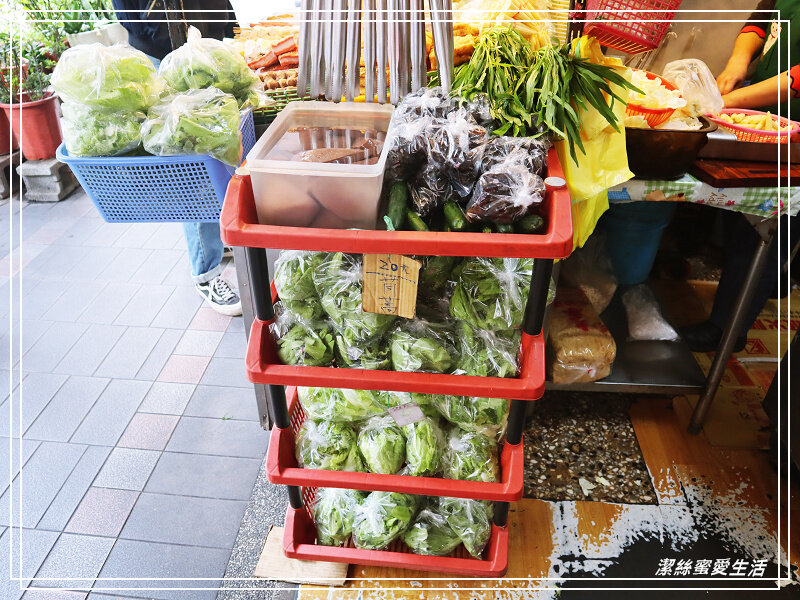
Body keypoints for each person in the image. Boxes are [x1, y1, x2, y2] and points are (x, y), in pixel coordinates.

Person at [679, 0, 799, 352]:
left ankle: (728, 330)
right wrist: (737, 63)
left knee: (769, 234)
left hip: (794, 136)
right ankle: (730, 316)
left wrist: (723, 102)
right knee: (741, 225)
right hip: (765, 118)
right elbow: (762, 20)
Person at [113, 0, 243, 316]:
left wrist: (227, 27)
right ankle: (206, 273)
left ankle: (218, 235)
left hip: (207, 49)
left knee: (223, 154)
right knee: (194, 171)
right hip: (166, 54)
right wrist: (150, 31)